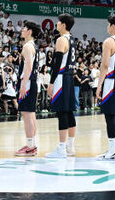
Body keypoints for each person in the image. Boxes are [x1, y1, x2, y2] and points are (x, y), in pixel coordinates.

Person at [94, 14, 115, 160]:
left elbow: (105, 65)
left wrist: (99, 85)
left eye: (108, 24)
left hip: (111, 81)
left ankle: (112, 150)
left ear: (113, 26)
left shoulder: (109, 41)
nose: (107, 27)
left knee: (109, 115)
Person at [46, 13, 77, 158]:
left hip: (61, 77)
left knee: (62, 112)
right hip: (70, 77)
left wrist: (51, 83)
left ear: (63, 25)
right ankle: (70, 146)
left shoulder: (61, 39)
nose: (56, 24)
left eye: (58, 22)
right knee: (69, 112)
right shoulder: (72, 39)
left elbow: (57, 64)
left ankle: (62, 148)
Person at [15, 20, 40, 157]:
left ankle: (30, 147)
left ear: (29, 31)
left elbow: (29, 66)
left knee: (27, 115)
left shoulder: (27, 46)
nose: (22, 30)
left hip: (28, 82)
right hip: (32, 81)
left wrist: (23, 85)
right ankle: (32, 144)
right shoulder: (33, 45)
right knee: (31, 114)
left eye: (24, 28)